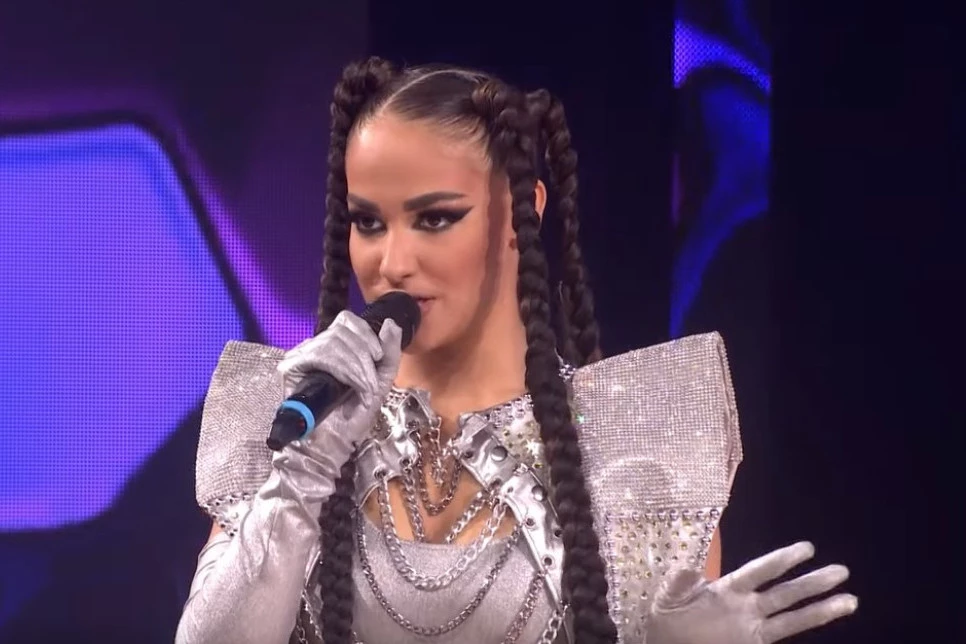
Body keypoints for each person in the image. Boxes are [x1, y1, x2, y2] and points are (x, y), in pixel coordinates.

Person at [175, 57, 858, 644]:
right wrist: (307, 466)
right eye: (368, 223)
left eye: (435, 218)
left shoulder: (637, 445)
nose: (393, 262)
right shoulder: (295, 419)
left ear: (521, 209)